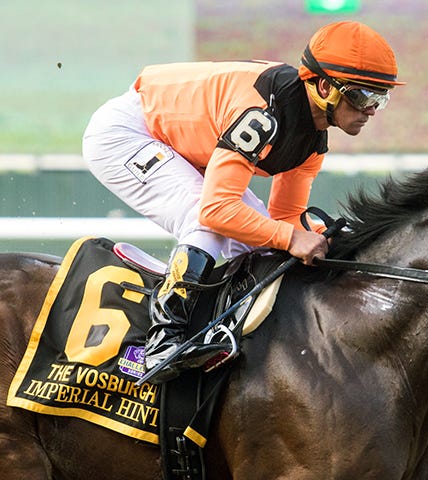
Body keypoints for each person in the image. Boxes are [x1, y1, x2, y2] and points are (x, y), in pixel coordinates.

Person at [82, 21, 405, 383]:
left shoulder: (314, 142)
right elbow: (217, 211)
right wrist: (292, 237)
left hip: (179, 142)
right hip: (128, 132)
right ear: (325, 87)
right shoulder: (263, 114)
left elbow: (285, 216)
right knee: (204, 220)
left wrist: (322, 239)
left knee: (260, 239)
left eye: (381, 98)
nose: (371, 110)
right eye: (363, 96)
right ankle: (162, 340)